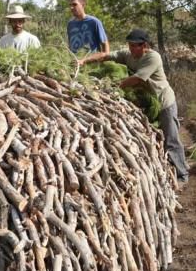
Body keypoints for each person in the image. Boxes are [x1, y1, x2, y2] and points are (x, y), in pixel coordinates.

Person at [79, 28, 189, 184]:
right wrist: (83, 61)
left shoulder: (153, 57)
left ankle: (182, 174)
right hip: (147, 103)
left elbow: (137, 79)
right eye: (129, 45)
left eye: (134, 46)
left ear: (144, 45)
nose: (130, 49)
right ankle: (165, 172)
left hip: (164, 102)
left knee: (171, 138)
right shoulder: (129, 54)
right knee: (155, 137)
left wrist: (113, 87)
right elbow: (105, 55)